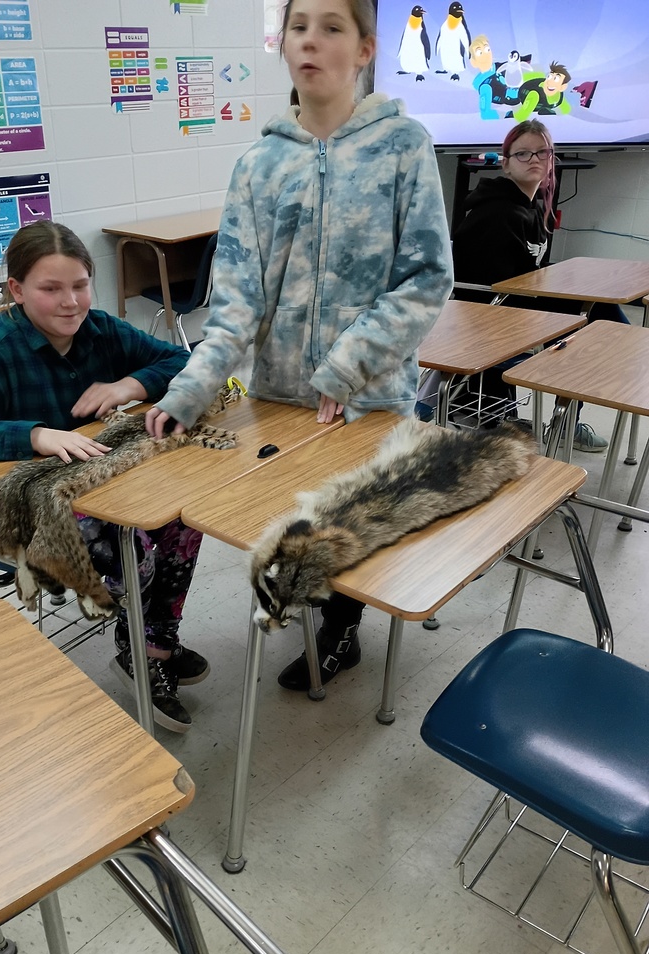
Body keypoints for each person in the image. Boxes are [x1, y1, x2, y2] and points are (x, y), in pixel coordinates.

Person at [145, 0, 453, 691]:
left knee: (350, 532)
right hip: (280, 399)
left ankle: (341, 631)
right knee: (292, 531)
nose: (311, 40)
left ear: (366, 49)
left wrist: (344, 368)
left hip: (370, 398)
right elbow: (235, 302)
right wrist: (190, 390)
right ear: (281, 43)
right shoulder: (258, 165)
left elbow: (427, 278)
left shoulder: (403, 146)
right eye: (299, 25)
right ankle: (308, 606)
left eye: (332, 26)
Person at [0, 220, 208, 733]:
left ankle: (156, 640)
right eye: (50, 289)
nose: (70, 302)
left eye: (80, 285)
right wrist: (34, 435)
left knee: (183, 521)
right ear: (16, 290)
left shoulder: (98, 328)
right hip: (22, 505)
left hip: (95, 482)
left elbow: (184, 361)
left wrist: (129, 382)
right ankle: (137, 650)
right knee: (135, 542)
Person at [451, 117, 628, 450]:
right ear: (505, 162)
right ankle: (581, 405)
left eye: (542, 153)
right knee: (593, 319)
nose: (534, 159)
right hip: (490, 314)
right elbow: (492, 292)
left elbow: (530, 276)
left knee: (598, 309)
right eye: (523, 154)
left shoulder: (530, 209)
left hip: (516, 304)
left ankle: (605, 379)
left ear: (551, 162)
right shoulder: (497, 213)